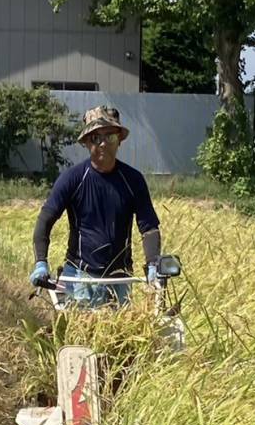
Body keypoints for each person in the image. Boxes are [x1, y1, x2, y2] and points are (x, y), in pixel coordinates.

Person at [29, 106, 162, 305]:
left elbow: (149, 227)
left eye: (109, 137)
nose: (102, 144)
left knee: (122, 334)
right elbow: (45, 219)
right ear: (85, 143)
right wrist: (41, 262)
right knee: (82, 333)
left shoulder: (133, 180)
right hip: (81, 277)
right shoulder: (72, 179)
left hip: (120, 278)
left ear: (119, 140)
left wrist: (153, 264)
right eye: (95, 138)